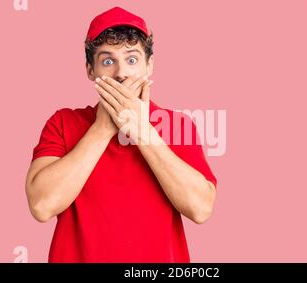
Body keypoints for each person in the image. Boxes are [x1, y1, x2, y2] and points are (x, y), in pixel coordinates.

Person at [25, 6, 217, 263]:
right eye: (107, 61)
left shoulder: (177, 125)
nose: (121, 73)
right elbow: (41, 205)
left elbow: (201, 209)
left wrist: (142, 131)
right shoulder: (62, 123)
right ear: (90, 70)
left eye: (132, 59)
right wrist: (102, 129)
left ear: (149, 66)